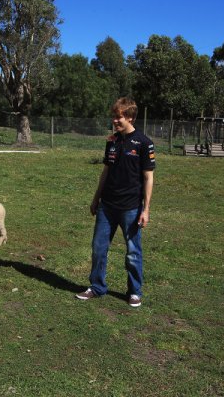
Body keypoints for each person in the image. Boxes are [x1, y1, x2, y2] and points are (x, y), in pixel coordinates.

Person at [76, 97, 155, 307]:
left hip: (130, 208)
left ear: (129, 117)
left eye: (118, 117)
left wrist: (145, 209)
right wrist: (96, 199)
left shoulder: (144, 143)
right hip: (107, 206)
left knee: (132, 252)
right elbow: (106, 172)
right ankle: (97, 287)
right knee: (99, 248)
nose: (114, 121)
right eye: (114, 116)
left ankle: (135, 291)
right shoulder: (112, 141)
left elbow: (148, 178)